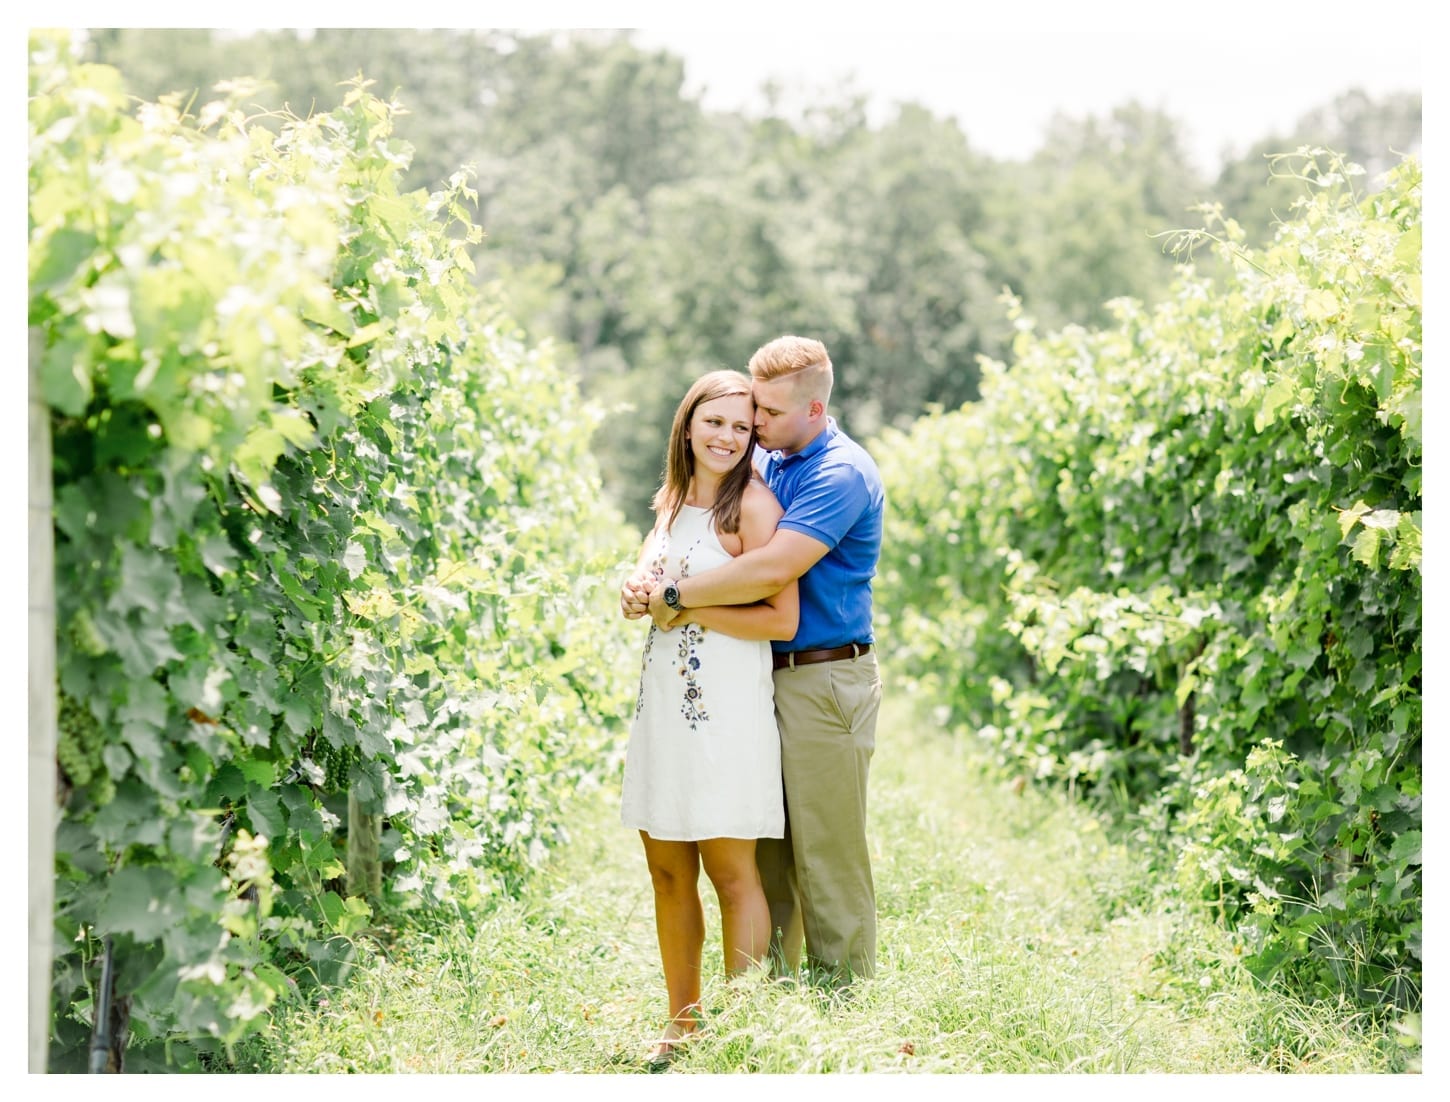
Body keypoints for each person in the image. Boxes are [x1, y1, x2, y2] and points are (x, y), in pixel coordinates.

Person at [625, 335, 885, 987]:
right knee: (768, 852)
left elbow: (770, 569)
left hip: (825, 676)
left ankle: (843, 1003)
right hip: (763, 673)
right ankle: (769, 1004)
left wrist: (675, 598)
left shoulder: (839, 474)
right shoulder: (773, 462)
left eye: (763, 413)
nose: (752, 425)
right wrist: (646, 582)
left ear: (814, 411)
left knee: (826, 853)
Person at [619, 369, 799, 1066]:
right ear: (687, 426)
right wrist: (636, 594)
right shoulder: (670, 503)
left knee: (731, 873)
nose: (727, 437)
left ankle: (746, 1028)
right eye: (714, 422)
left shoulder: (751, 508)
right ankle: (683, 1025)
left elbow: (780, 616)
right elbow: (649, 589)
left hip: (724, 716)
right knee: (667, 870)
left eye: (741, 426)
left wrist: (685, 605)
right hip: (662, 713)